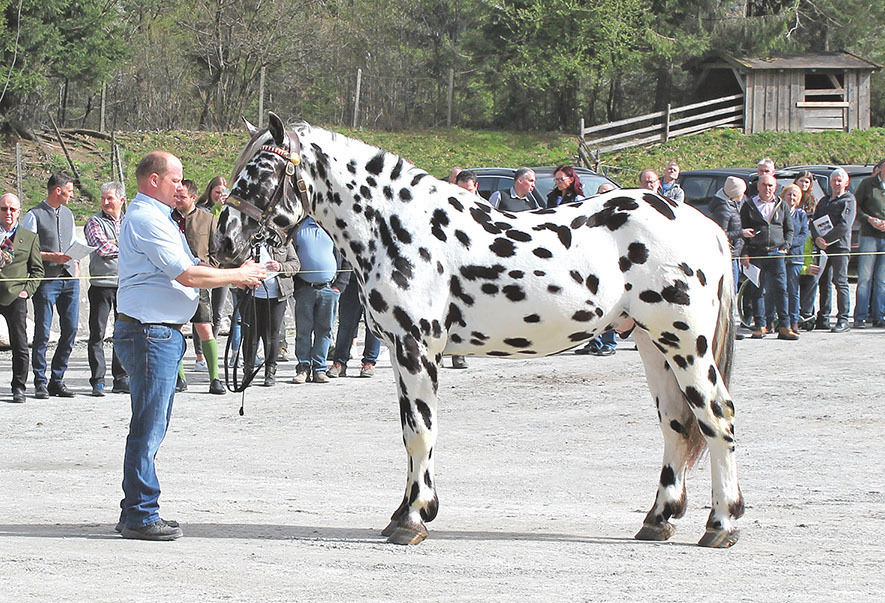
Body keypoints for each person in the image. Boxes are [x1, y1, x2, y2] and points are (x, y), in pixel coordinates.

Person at [114, 150, 265, 541]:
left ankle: (134, 507)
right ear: (153, 180)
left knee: (150, 425)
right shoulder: (148, 219)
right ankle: (141, 514)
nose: (181, 186)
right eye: (175, 179)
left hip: (156, 331)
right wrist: (239, 274)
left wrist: (234, 275)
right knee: (148, 428)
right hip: (151, 332)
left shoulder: (158, 218)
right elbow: (185, 274)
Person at [22, 173, 80, 398]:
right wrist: (50, 257)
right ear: (58, 190)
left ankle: (58, 378)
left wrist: (74, 264)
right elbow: (25, 249)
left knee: (71, 329)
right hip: (46, 280)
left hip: (69, 279)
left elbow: (72, 242)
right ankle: (40, 380)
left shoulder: (68, 214)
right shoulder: (33, 215)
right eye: (70, 190)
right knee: (43, 331)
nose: (72, 195)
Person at [172, 179, 225, 394]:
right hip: (173, 281)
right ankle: (178, 377)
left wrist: (209, 269)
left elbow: (217, 253)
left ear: (193, 197)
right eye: (176, 196)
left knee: (205, 327)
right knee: (175, 329)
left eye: (182, 197)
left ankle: (215, 378)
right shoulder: (167, 219)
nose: (177, 200)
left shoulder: (209, 220)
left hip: (198, 281)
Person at [83, 182, 129, 397]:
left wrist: (118, 244)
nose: (105, 202)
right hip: (101, 286)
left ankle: (121, 378)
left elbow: (138, 247)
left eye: (109, 198)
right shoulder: (94, 221)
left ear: (121, 200)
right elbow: (102, 248)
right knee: (97, 334)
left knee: (123, 333)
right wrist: (124, 247)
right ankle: (98, 380)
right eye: (103, 198)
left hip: (125, 285)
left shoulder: (130, 222)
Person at [291, 217, 349, 384]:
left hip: (329, 288)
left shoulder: (333, 226)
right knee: (303, 331)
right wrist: (296, 286)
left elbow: (346, 256)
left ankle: (319, 369)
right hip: (304, 288)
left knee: (325, 330)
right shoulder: (299, 227)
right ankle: (303, 367)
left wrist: (339, 285)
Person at [740, 173, 796, 340]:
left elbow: (789, 229)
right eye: (764, 185)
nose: (767, 188)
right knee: (756, 290)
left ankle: (785, 326)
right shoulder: (749, 206)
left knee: (782, 290)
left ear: (775, 187)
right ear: (758, 187)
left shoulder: (782, 205)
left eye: (770, 185)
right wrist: (744, 253)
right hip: (756, 253)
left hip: (777, 253)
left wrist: (786, 246)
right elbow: (742, 230)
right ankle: (760, 325)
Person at [0, 193, 43, 403]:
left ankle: (19, 387)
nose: (8, 213)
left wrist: (27, 291)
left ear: (19, 212)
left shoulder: (29, 237)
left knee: (19, 344)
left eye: (12, 209)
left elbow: (37, 271)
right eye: (4, 209)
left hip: (15, 296)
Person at [241, 239, 300, 387]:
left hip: (277, 296)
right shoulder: (249, 241)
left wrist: (280, 266)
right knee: (251, 335)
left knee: (272, 335)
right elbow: (237, 263)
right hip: (253, 295)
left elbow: (295, 264)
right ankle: (248, 371)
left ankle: (270, 371)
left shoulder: (283, 242)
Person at [575, 181, 620, 355]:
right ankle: (593, 341)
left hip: (609, 268)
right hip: (590, 266)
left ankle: (609, 343)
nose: (602, 196)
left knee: (610, 305)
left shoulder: (617, 218)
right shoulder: (591, 215)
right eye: (600, 192)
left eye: (606, 193)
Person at [811, 168, 856, 333]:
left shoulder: (849, 200)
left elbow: (844, 225)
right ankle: (823, 317)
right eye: (834, 180)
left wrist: (827, 240)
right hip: (823, 248)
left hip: (840, 247)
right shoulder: (824, 201)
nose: (836, 183)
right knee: (824, 281)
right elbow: (814, 221)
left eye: (839, 180)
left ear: (846, 182)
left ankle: (843, 319)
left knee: (840, 281)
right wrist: (817, 239)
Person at [708, 176, 748, 340]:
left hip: (734, 255)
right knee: (727, 293)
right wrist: (741, 233)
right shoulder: (723, 208)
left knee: (731, 293)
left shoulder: (729, 204)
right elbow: (722, 233)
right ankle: (725, 329)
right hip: (728, 256)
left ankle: (727, 328)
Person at [327, 271, 382, 378]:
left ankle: (369, 363)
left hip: (375, 280)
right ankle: (340, 363)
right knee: (346, 325)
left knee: (373, 324)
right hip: (351, 281)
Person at [196, 176, 231, 341]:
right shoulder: (202, 210)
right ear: (210, 191)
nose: (220, 196)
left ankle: (213, 343)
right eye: (217, 192)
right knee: (202, 312)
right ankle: (199, 353)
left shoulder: (229, 211)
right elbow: (207, 225)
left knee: (218, 311)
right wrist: (218, 207)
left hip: (222, 264)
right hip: (205, 263)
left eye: (223, 193)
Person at [852, 159, 885, 328]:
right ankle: (860, 316)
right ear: (881, 169)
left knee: (881, 279)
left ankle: (879, 316)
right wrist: (869, 219)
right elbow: (855, 207)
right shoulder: (867, 184)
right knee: (865, 278)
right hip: (869, 236)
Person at [782, 184, 810, 335]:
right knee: (780, 290)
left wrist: (788, 244)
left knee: (793, 291)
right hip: (780, 255)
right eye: (789, 195)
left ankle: (794, 321)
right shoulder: (778, 212)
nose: (791, 198)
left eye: (794, 196)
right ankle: (779, 321)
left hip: (795, 257)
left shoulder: (801, 215)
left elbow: (803, 235)